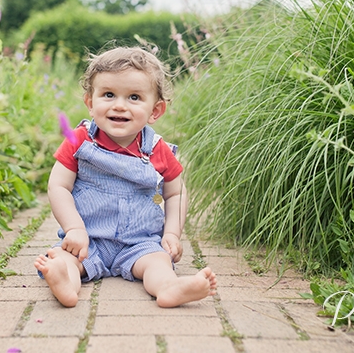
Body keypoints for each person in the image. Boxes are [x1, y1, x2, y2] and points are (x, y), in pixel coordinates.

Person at [34, 46, 218, 308]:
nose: (119, 105)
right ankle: (65, 280)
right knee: (66, 258)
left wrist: (173, 233)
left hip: (139, 242)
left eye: (134, 97)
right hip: (88, 239)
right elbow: (58, 186)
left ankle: (169, 287)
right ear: (90, 102)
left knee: (159, 261)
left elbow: (175, 192)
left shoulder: (157, 149)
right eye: (108, 94)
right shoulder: (78, 141)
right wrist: (74, 228)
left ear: (155, 111)